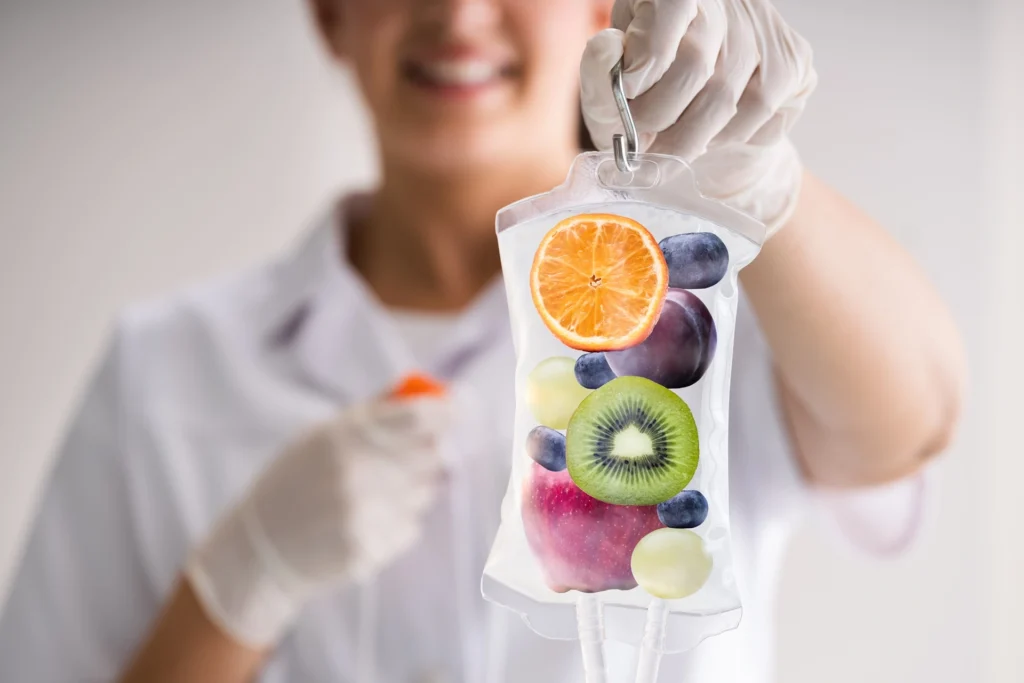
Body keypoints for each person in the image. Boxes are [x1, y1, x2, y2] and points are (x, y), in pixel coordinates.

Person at [0, 0, 966, 681]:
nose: (458, 13)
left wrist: (766, 188)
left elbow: (916, 422)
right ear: (331, 14)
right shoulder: (166, 366)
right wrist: (238, 586)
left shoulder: (709, 309)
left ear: (603, 8)